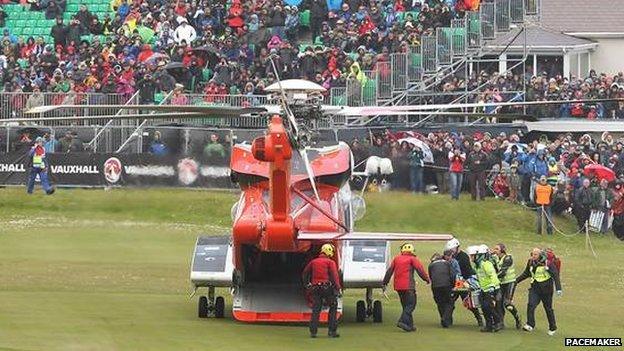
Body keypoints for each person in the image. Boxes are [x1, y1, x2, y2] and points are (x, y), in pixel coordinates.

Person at [382, 243, 430, 332]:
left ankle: (409, 325)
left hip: (398, 287)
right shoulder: (412, 259)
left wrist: (385, 282)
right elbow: (420, 270)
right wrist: (426, 279)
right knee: (411, 304)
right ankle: (402, 321)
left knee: (406, 306)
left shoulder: (396, 258)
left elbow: (389, 271)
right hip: (408, 286)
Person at [516, 248, 562, 336]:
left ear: (540, 255)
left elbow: (555, 275)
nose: (533, 256)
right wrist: (516, 281)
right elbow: (526, 273)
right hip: (535, 288)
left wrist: (558, 288)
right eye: (532, 254)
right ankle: (530, 324)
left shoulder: (548, 263)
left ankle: (552, 327)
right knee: (531, 305)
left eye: (535, 254)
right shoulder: (530, 262)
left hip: (547, 290)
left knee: (548, 308)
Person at [302, 243, 341, 338]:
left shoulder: (314, 262)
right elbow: (335, 276)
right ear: (329, 252)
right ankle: (332, 331)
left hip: (315, 288)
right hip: (327, 288)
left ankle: (313, 332)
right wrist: (338, 288)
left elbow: (305, 273)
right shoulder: (330, 263)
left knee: (316, 309)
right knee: (333, 306)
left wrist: (307, 285)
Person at [445, 238, 483, 326]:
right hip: (456, 282)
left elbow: (464, 272)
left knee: (468, 302)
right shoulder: (451, 256)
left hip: (465, 281)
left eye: (452, 249)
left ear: (457, 247)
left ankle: (479, 319)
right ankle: (447, 321)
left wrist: (461, 283)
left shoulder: (463, 256)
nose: (451, 251)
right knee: (450, 301)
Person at [471, 245, 503, 332]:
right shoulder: (477, 266)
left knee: (488, 306)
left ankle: (498, 322)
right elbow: (478, 276)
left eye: (473, 256)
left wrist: (492, 287)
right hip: (483, 289)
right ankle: (489, 325)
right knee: (484, 307)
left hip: (491, 288)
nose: (471, 257)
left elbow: (492, 275)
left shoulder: (486, 264)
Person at [492, 243, 521, 329]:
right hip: (501, 283)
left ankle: (517, 318)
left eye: (497, 249)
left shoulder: (508, 258)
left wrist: (493, 278)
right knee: (498, 302)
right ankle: (500, 322)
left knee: (507, 303)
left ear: (502, 250)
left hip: (510, 282)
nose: (495, 251)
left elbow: (502, 272)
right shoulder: (495, 258)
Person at [428, 253, 455, 328]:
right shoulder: (447, 263)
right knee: (450, 303)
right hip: (446, 285)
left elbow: (431, 276)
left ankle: (444, 320)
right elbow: (452, 275)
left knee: (440, 303)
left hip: (435, 286)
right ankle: (445, 318)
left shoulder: (431, 265)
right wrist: (453, 285)